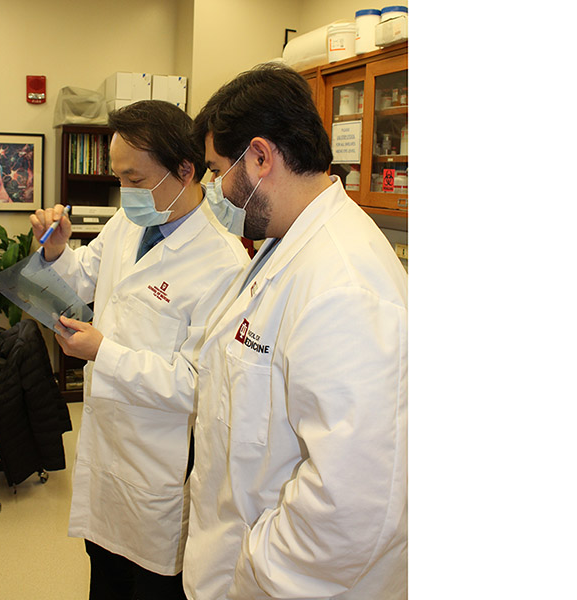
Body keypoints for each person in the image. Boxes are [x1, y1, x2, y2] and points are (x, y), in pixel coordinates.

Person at [182, 63, 408, 599]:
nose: (214, 191)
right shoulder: (287, 244)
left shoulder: (344, 286)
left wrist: (254, 571)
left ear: (260, 157)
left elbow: (353, 506)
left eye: (217, 172)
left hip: (281, 584)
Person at [30, 100, 250, 600]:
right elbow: (83, 277)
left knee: (148, 587)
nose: (124, 191)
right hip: (107, 451)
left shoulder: (223, 263)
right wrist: (57, 250)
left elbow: (198, 385)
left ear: (185, 170)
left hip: (158, 468)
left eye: (134, 178)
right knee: (104, 579)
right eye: (118, 177)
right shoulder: (130, 221)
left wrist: (103, 353)